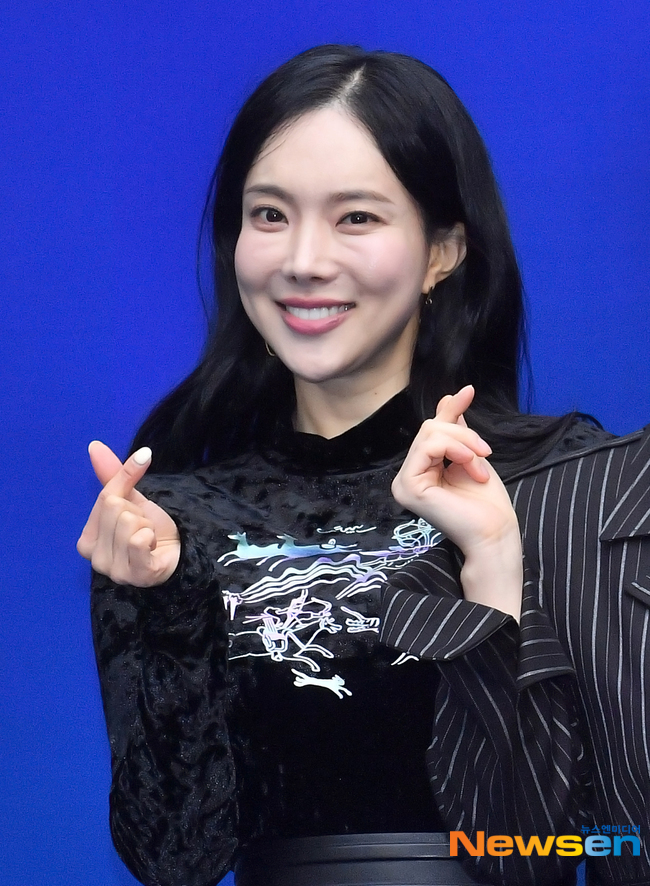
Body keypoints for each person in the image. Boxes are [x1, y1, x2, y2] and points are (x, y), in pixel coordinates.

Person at [77, 45, 649, 886]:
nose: (303, 260)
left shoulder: (574, 486)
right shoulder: (170, 523)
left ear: (443, 250)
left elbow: (602, 833)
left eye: (356, 218)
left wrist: (494, 570)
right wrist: (163, 602)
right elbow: (172, 856)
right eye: (269, 215)